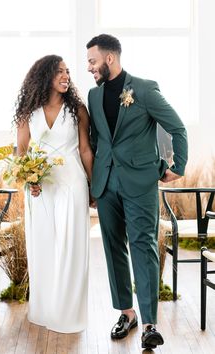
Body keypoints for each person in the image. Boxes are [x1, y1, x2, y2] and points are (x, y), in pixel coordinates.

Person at [86, 34, 188, 349]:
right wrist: (92, 182)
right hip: (106, 185)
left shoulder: (144, 89)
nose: (89, 67)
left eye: (92, 61)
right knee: (113, 247)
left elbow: (177, 127)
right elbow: (94, 140)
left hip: (140, 182)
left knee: (143, 248)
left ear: (109, 59)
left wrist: (178, 166)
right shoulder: (93, 95)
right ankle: (126, 313)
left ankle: (149, 324)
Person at [13, 54, 93, 333]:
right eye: (60, 71)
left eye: (67, 71)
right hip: (40, 188)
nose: (66, 76)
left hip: (72, 183)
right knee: (43, 245)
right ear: (44, 75)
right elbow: (21, 153)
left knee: (71, 247)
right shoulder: (27, 113)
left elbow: (85, 150)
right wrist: (29, 180)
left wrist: (94, 186)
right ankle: (44, 309)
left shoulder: (78, 110)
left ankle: (68, 314)